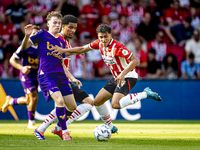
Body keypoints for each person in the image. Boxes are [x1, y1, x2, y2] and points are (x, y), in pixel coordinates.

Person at [32, 15, 118, 140]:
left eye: (74, 28)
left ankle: (49, 128)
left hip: (64, 78)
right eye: (70, 27)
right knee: (72, 103)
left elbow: (64, 59)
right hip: (57, 77)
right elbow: (59, 57)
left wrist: (72, 75)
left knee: (78, 104)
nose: (72, 30)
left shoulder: (66, 41)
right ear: (63, 26)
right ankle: (53, 128)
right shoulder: (58, 38)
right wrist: (76, 51)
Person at [54, 24, 161, 113]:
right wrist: (63, 51)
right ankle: (110, 127)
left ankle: (145, 93)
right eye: (101, 37)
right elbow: (82, 48)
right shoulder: (99, 43)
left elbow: (135, 60)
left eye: (105, 36)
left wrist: (123, 74)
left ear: (110, 35)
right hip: (116, 77)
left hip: (128, 76)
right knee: (97, 102)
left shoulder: (117, 47)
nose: (103, 39)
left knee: (115, 104)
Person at [21, 11, 79, 141]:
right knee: (59, 101)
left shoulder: (61, 42)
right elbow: (25, 47)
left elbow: (62, 64)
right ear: (48, 24)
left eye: (59, 23)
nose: (57, 25)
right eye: (54, 22)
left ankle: (42, 130)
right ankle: (64, 132)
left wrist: (72, 77)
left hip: (61, 76)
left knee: (72, 107)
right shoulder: (42, 34)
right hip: (47, 75)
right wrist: (27, 36)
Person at [1, 25, 40, 129]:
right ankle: (31, 123)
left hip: (36, 75)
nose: (35, 36)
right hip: (26, 75)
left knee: (29, 100)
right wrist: (21, 68)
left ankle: (10, 101)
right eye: (33, 34)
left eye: (37, 34)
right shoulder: (25, 46)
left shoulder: (42, 48)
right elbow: (12, 60)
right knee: (34, 97)